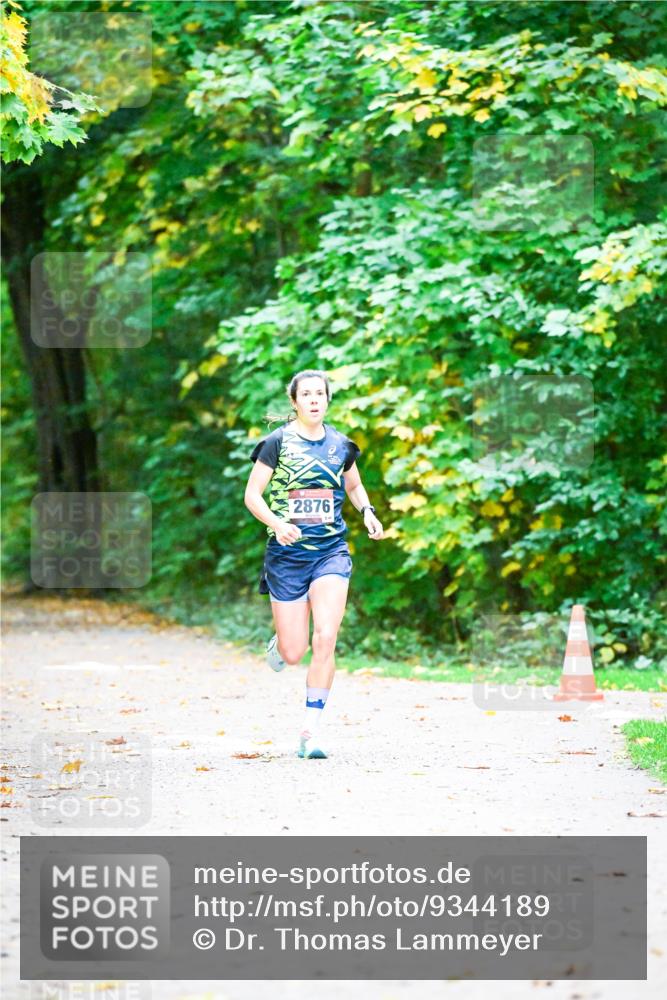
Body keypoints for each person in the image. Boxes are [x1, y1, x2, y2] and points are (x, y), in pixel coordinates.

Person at [244, 369, 384, 759]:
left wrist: (368, 512)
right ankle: (281, 642)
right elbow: (252, 495)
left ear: (327, 399)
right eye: (305, 394)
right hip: (286, 556)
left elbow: (353, 485)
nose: (313, 400)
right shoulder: (277, 443)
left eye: (319, 393)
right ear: (294, 401)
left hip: (330, 552)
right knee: (293, 653)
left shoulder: (340, 445)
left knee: (326, 637)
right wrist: (277, 523)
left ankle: (311, 730)